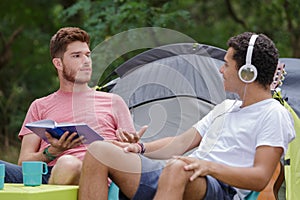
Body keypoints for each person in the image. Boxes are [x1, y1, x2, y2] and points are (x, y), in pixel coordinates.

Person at [78, 32, 295, 200]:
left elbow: (260, 177)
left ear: (247, 73)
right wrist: (140, 148)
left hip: (221, 188)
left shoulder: (273, 113)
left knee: (178, 167)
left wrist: (208, 166)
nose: (221, 70)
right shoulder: (226, 107)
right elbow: (179, 143)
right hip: (183, 174)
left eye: (226, 64)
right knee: (100, 150)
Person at [0, 27, 139, 185]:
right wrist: (52, 152)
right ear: (58, 63)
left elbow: (132, 159)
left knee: (69, 164)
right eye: (76, 56)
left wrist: (130, 144)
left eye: (88, 55)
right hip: (47, 176)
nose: (86, 61)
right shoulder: (39, 106)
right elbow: (24, 162)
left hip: (94, 176)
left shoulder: (114, 102)